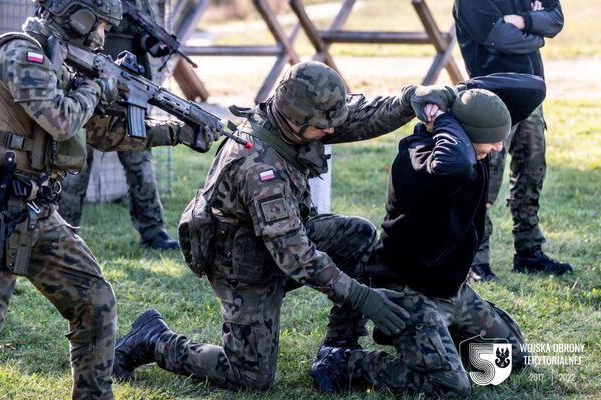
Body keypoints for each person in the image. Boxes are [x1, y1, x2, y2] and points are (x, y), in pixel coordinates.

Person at [112, 61, 461, 390]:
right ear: (295, 121)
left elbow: (358, 117)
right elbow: (297, 257)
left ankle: (339, 346)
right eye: (323, 126)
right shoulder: (257, 167)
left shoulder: (294, 117)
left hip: (278, 239)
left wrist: (407, 99)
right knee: (250, 376)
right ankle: (154, 339)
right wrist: (363, 297)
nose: (330, 131)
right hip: (241, 263)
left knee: (357, 233)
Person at [0, 0, 216, 398]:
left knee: (95, 303)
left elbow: (99, 132)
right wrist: (98, 85)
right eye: (99, 24)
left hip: (37, 210)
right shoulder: (20, 52)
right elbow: (61, 120)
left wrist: (178, 132)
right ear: (74, 15)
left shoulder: (61, 66)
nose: (102, 34)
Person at [311, 79, 546, 397]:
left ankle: (433, 341)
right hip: (411, 294)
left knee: (513, 358)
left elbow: (531, 88)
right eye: (491, 141)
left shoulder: (469, 149)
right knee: (449, 387)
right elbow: (453, 166)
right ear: (464, 135)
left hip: (452, 291)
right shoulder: (420, 159)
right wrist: (445, 119)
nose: (498, 148)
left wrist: (453, 95)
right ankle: (345, 362)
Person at [453, 0, 571, 282]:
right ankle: (476, 261)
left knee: (532, 173)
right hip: (492, 99)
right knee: (485, 182)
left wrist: (520, 21)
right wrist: (535, 26)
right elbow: (500, 39)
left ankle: (529, 251)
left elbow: (555, 19)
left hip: (531, 94)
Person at [58, 0, 179, 250]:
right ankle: (62, 234)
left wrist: (156, 43)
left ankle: (153, 231)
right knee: (75, 164)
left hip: (127, 86)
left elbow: (143, 36)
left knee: (139, 160)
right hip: (85, 81)